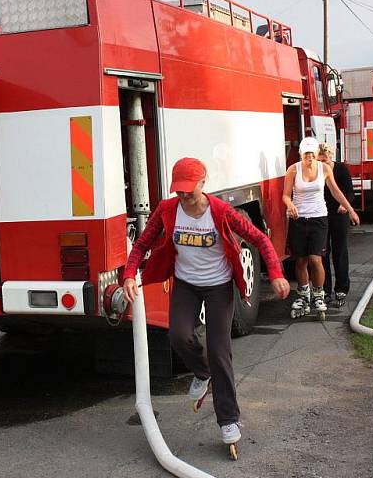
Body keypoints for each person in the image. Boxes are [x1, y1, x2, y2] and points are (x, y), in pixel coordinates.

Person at [122, 157, 290, 450]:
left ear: (203, 182)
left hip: (218, 286)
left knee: (219, 350)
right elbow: (142, 244)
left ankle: (228, 420)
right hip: (186, 284)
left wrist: (275, 274)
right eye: (179, 190)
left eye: (189, 189)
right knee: (178, 335)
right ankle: (202, 373)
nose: (184, 195)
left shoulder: (221, 211)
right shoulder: (167, 209)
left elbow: (260, 239)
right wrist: (128, 275)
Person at [282, 137, 360, 315]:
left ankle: (319, 293)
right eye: (306, 155)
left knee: (316, 259)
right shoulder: (293, 170)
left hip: (319, 218)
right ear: (301, 154)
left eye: (312, 154)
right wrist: (290, 204)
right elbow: (285, 195)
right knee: (301, 260)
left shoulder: (324, 169)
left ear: (316, 154)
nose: (309, 158)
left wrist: (351, 211)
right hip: (299, 219)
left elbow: (336, 191)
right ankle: (303, 294)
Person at [317, 143, 354, 308]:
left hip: (339, 214)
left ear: (331, 157)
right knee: (322, 253)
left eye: (324, 160)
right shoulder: (316, 172)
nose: (322, 164)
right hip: (322, 214)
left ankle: (341, 288)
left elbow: (350, 192)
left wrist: (345, 205)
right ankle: (325, 290)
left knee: (339, 252)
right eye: (319, 160)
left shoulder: (341, 170)